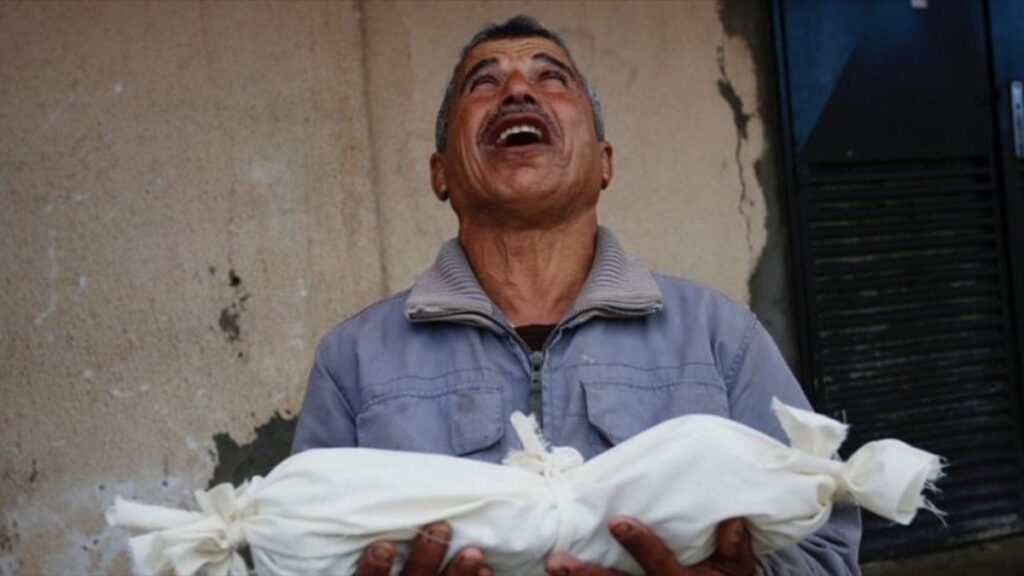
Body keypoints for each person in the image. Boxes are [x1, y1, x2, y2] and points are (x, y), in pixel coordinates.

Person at [292, 15, 861, 576]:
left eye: (551, 77)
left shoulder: (719, 339)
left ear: (604, 162)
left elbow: (827, 553)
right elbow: (295, 549)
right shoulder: (353, 360)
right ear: (440, 173)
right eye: (484, 82)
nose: (518, 90)